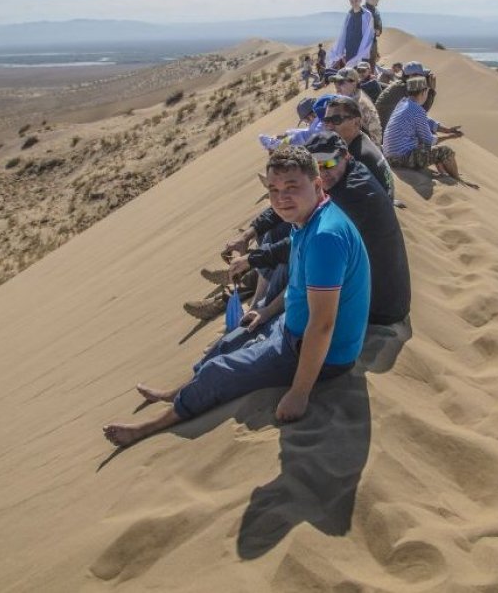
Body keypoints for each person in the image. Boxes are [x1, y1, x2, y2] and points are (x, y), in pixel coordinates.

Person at [103, 146, 371, 447]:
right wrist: (266, 313)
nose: (281, 198)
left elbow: (322, 324)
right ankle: (180, 391)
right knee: (232, 339)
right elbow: (298, 287)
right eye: (274, 189)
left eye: (292, 187)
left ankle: (148, 427)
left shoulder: (324, 237)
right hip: (291, 329)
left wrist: (299, 393)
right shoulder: (306, 221)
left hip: (320, 355)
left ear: (317, 184)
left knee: (220, 372)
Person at [227, 132, 410, 328]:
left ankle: (261, 316)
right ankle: (257, 304)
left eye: (329, 164)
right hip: (362, 286)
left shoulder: (353, 192)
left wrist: (252, 258)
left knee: (297, 256)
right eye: (317, 167)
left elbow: (306, 243)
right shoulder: (344, 173)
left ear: (346, 155)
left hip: (377, 306)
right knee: (280, 229)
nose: (324, 173)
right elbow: (282, 209)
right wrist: (248, 235)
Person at [382, 76, 465, 180]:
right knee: (445, 151)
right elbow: (429, 141)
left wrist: (447, 130)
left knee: (424, 146)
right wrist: (450, 137)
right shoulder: (417, 109)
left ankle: (445, 174)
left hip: (389, 156)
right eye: (427, 91)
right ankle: (458, 179)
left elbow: (426, 120)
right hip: (401, 159)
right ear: (423, 92)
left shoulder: (403, 103)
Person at [321, 95, 394, 200]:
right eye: (327, 121)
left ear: (357, 122)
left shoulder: (357, 156)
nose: (330, 126)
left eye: (336, 120)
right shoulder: (362, 141)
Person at [376, 60, 437, 129]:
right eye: (422, 76)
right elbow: (421, 113)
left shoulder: (400, 85)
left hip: (383, 126)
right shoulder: (407, 90)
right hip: (389, 131)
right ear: (412, 76)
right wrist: (431, 91)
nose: (424, 79)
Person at [330, 67, 382, 144]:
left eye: (341, 83)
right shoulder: (350, 100)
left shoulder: (362, 104)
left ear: (353, 82)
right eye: (336, 84)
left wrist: (370, 153)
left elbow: (376, 133)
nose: (337, 89)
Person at [327, 0, 374, 69]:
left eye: (356, 1)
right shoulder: (349, 14)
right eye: (352, 2)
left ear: (360, 0)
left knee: (361, 68)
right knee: (350, 68)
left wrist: (367, 46)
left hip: (361, 45)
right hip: (349, 45)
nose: (354, 3)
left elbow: (369, 32)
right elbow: (344, 31)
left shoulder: (367, 14)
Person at [363, 0, 383, 67]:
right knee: (364, 64)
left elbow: (378, 25)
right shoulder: (363, 10)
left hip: (373, 41)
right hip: (364, 43)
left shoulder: (375, 10)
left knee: (372, 63)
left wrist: (378, 31)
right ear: (368, 0)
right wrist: (373, 30)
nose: (377, 0)